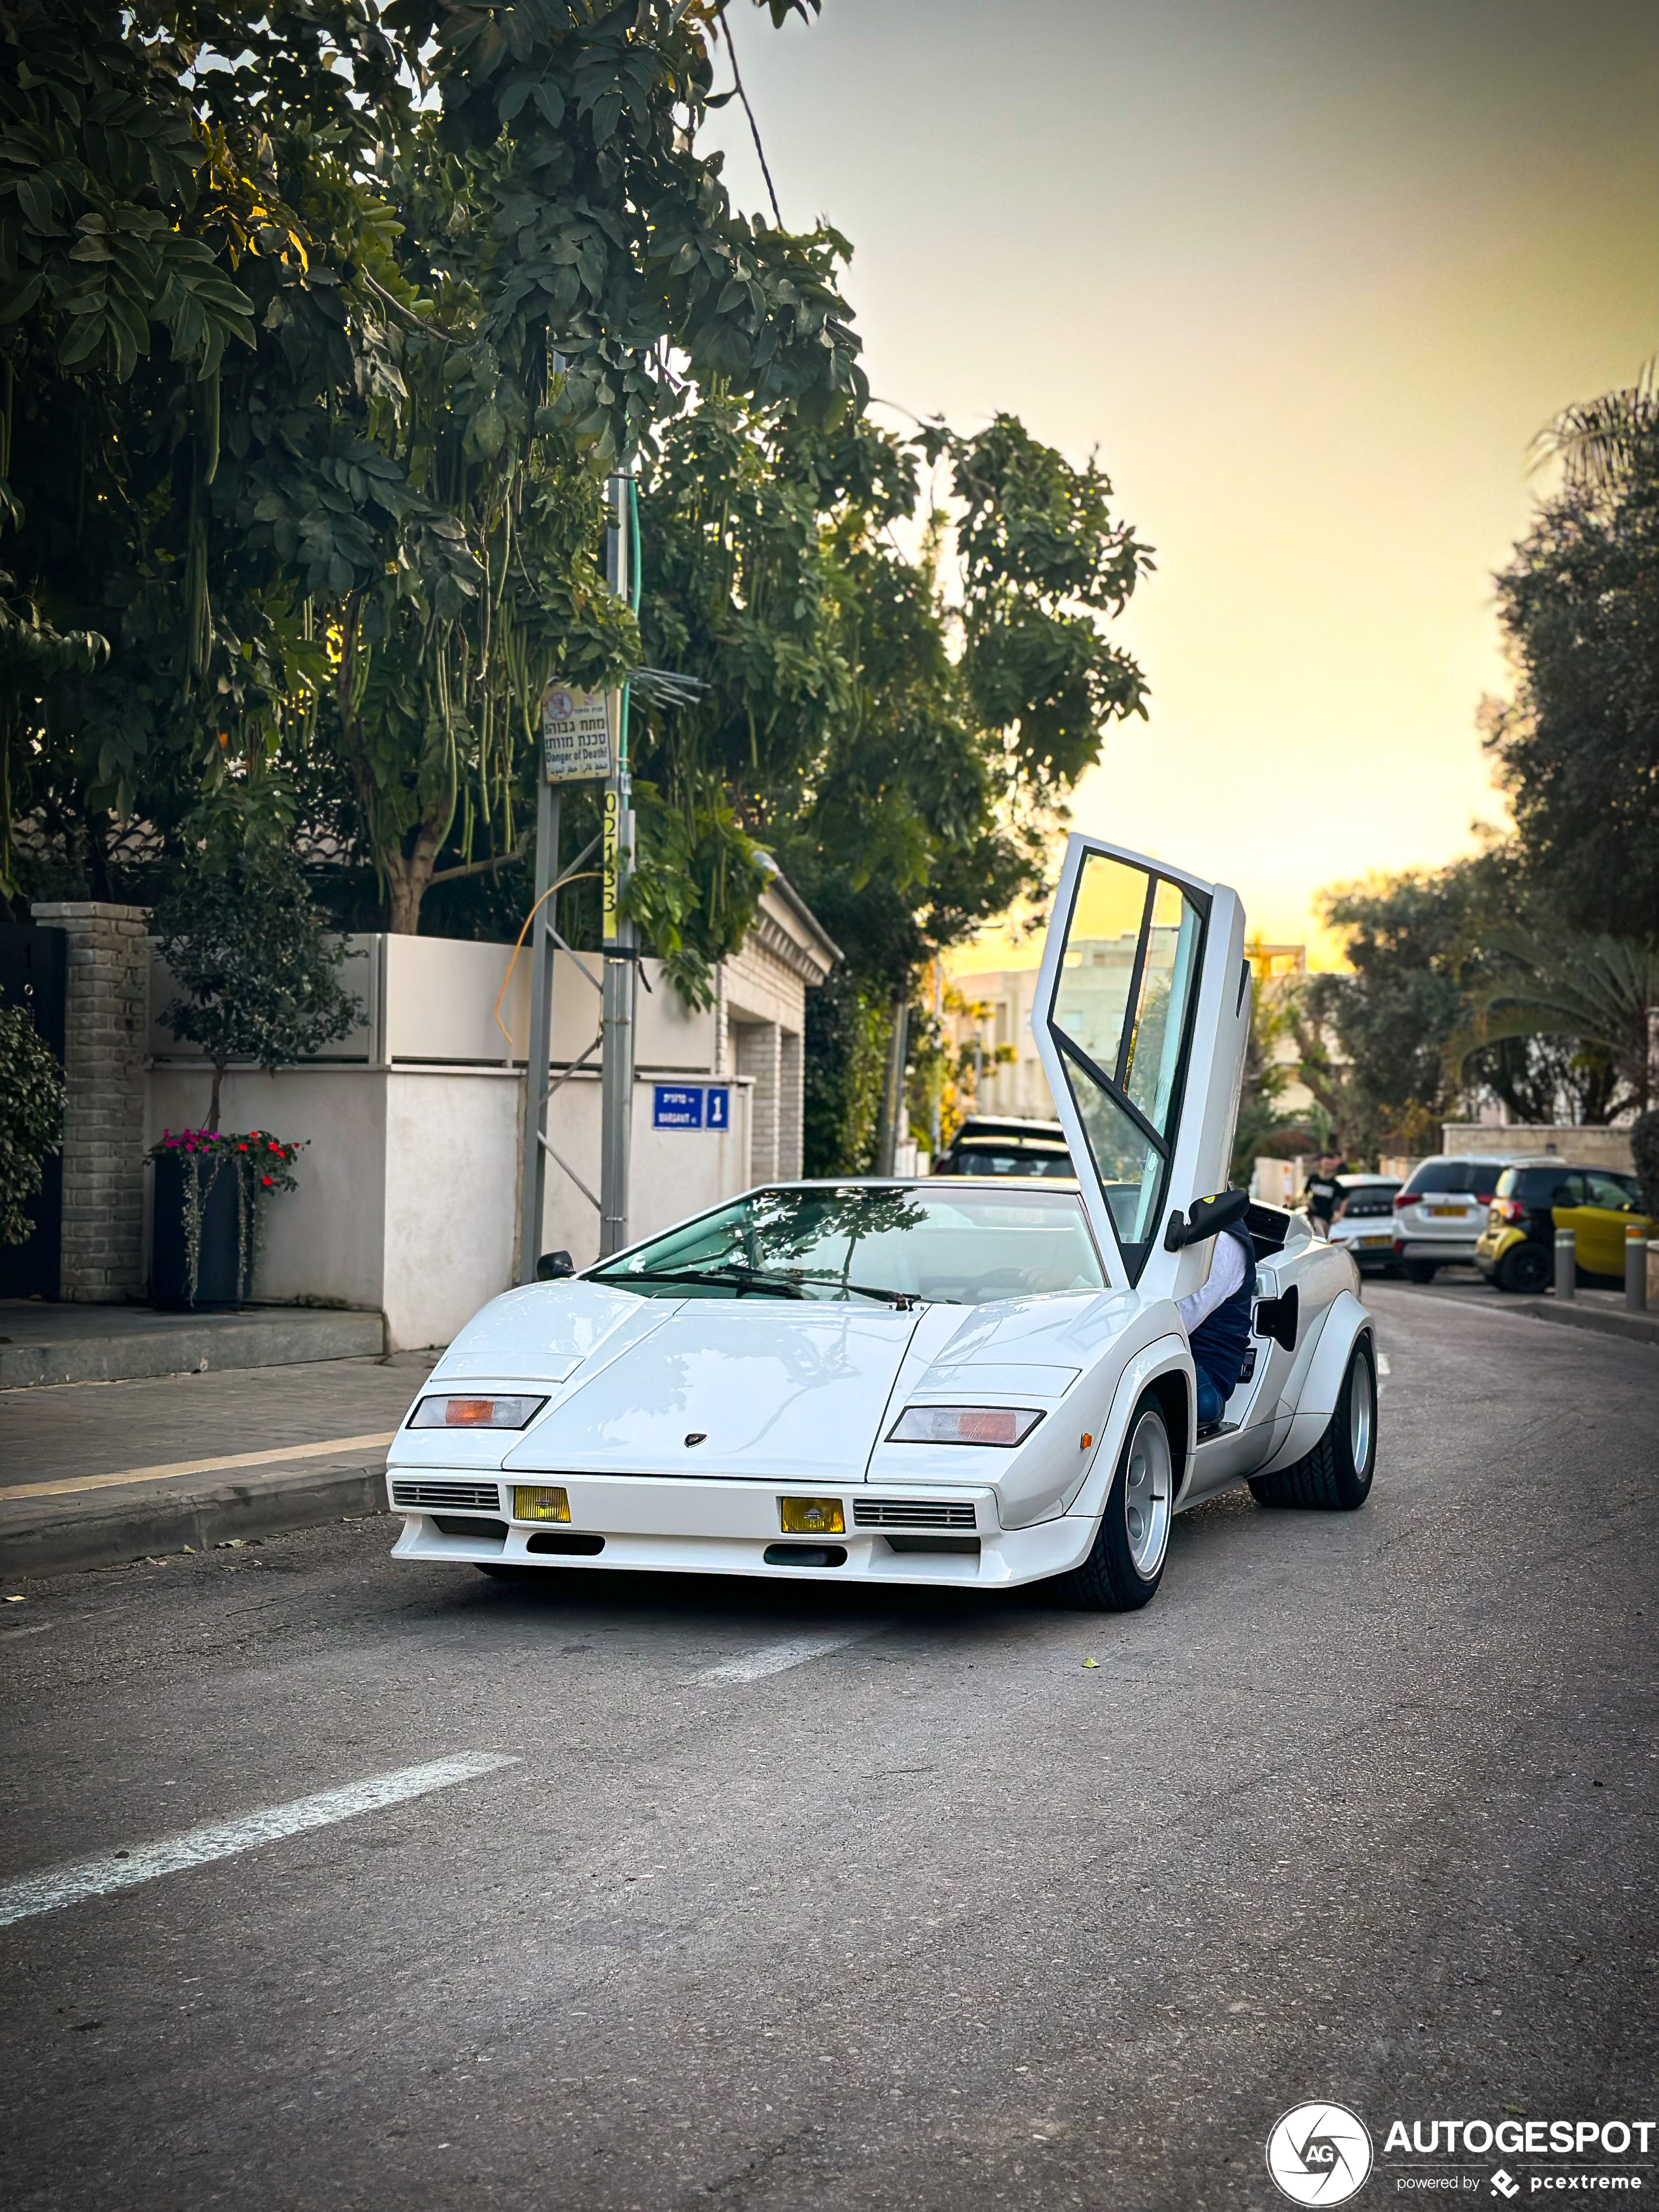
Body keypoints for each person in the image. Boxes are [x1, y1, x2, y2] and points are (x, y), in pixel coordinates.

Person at [1178, 1209, 1259, 1429]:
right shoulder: (1197, 1227)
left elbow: (1180, 1322)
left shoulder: (1222, 1242)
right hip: (1181, 1359)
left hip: (1206, 1378)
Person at [1302, 1151, 1345, 1238]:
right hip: (1312, 1214)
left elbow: (1345, 1198)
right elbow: (1305, 1193)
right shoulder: (1313, 1179)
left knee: (1320, 1236)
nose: (1327, 1166)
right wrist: (1307, 1202)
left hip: (1325, 1217)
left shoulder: (1335, 1184)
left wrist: (1340, 1215)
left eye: (1330, 1164)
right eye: (1326, 1164)